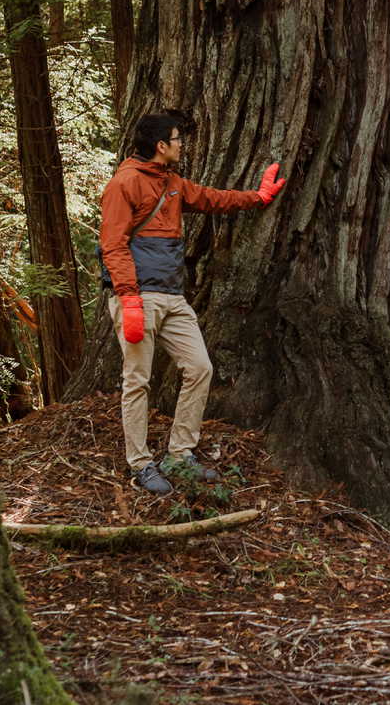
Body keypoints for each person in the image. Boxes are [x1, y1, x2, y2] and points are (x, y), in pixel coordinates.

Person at [99, 112, 288, 495]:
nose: (182, 144)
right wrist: (129, 298)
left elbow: (212, 199)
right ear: (160, 146)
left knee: (200, 367)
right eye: (177, 139)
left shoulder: (172, 183)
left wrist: (257, 197)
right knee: (137, 381)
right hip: (138, 298)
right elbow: (113, 244)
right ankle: (140, 464)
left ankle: (179, 455)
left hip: (172, 296)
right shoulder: (124, 184)